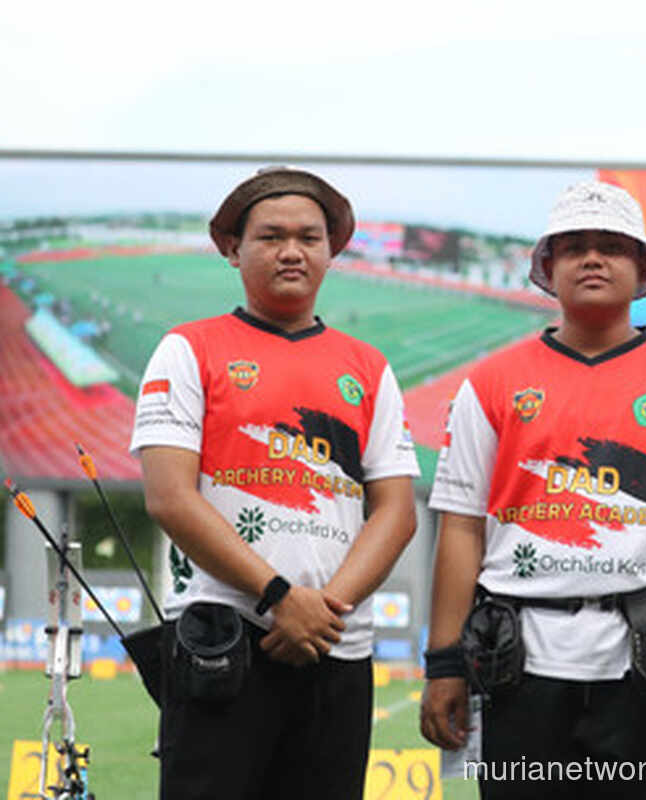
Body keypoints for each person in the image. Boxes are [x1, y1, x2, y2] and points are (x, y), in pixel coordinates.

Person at [419, 180, 646, 798]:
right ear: (549, 267)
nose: (592, 259)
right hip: (519, 668)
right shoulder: (490, 383)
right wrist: (444, 665)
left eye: (611, 247)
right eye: (574, 247)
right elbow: (461, 527)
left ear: (642, 266)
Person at [130, 166, 420, 800]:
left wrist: (322, 610)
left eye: (309, 238)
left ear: (331, 251)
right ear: (234, 248)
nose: (292, 251)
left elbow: (396, 512)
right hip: (222, 644)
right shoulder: (187, 349)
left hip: (334, 648)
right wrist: (279, 596)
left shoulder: (369, 368)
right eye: (271, 236)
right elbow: (170, 497)